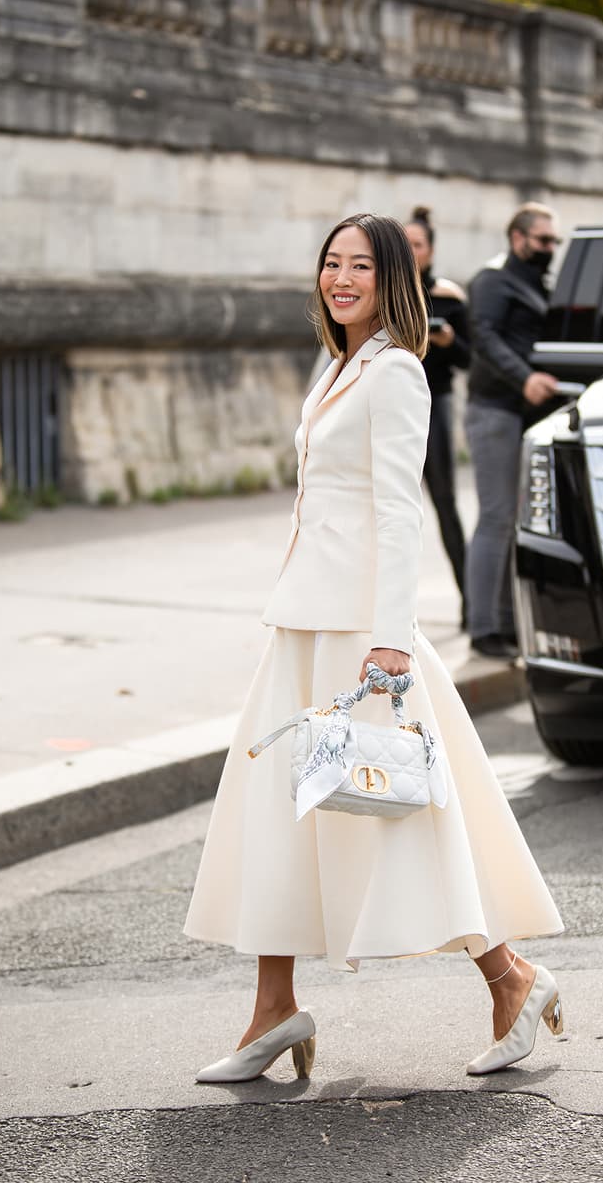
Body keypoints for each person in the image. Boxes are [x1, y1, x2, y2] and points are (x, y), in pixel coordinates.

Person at [184, 213, 563, 1085]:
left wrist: (392, 640)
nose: (340, 277)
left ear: (391, 277)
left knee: (401, 819)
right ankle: (273, 1007)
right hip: (304, 620)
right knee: (277, 813)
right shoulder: (341, 364)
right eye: (330, 262)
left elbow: (398, 511)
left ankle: (512, 980)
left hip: (364, 634)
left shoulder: (396, 372)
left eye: (359, 265)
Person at [465, 202, 560, 659]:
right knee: (496, 517)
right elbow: (483, 337)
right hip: (494, 410)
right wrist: (525, 378)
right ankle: (483, 628)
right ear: (517, 238)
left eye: (553, 241)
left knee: (514, 521)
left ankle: (506, 624)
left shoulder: (535, 281)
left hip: (524, 416)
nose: (550, 249)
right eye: (543, 240)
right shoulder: (493, 278)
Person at [404, 206, 470, 629]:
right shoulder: (385, 293)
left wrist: (445, 340)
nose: (411, 253)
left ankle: (472, 604)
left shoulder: (448, 296)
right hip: (391, 406)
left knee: (445, 503)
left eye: (418, 245)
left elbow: (468, 358)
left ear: (430, 251)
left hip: (434, 403)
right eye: (404, 245)